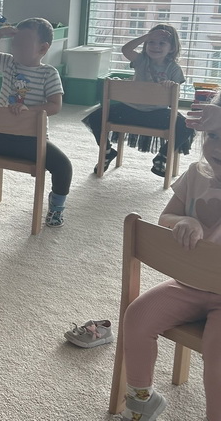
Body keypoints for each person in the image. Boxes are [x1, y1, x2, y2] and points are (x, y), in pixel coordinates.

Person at [118, 98, 221, 421]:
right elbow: (166, 218)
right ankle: (143, 399)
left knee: (218, 352)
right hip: (188, 284)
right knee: (136, 318)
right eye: (214, 135)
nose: (219, 147)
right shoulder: (195, 174)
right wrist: (184, 221)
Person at [0, 17, 72, 227]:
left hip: (32, 141)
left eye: (23, 43)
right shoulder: (9, 63)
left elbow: (55, 105)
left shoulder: (49, 73)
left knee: (64, 166)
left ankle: (56, 207)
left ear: (43, 48)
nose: (16, 47)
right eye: (14, 42)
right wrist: (0, 33)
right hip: (1, 135)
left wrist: (30, 110)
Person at [83, 24, 194, 177]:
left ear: (172, 48)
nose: (155, 46)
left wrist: (170, 86)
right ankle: (107, 151)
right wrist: (147, 36)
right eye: (151, 42)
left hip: (157, 113)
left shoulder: (174, 69)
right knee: (96, 117)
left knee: (187, 126)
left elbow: (175, 97)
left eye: (162, 43)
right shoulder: (141, 60)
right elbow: (126, 50)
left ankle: (163, 156)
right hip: (129, 110)